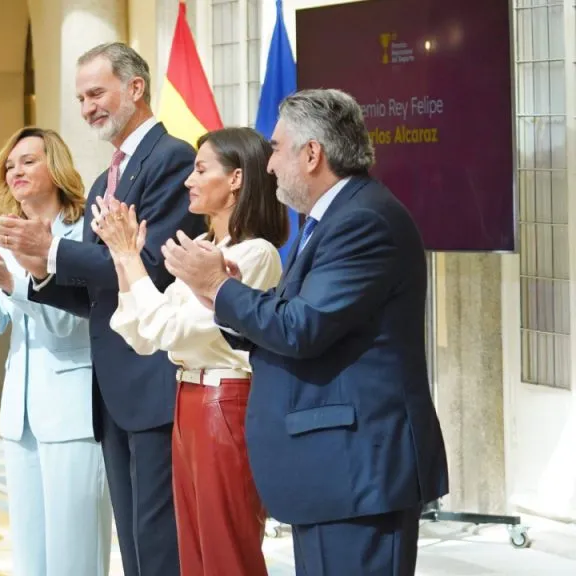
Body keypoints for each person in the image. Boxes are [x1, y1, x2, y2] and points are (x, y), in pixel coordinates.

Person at [161, 88, 450, 575]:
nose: (268, 166)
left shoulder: (362, 220)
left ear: (312, 154)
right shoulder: (333, 218)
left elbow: (303, 328)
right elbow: (292, 314)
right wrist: (225, 291)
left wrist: (219, 287)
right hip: (331, 471)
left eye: (275, 149)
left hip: (359, 472)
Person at [0, 42, 206, 575]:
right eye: (81, 98)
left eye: (96, 93)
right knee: (131, 543)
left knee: (156, 540)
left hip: (152, 379)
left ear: (135, 88)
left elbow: (147, 266)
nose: (87, 108)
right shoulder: (110, 177)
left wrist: (53, 250)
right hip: (112, 388)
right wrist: (40, 271)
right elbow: (92, 293)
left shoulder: (170, 158)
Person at [93, 126, 287, 576]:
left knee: (226, 551)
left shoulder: (256, 255)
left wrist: (129, 258)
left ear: (236, 179)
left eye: (201, 169)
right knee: (194, 553)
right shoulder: (203, 247)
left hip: (227, 403)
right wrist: (125, 260)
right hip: (188, 400)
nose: (188, 181)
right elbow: (142, 332)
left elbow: (169, 329)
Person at [0, 126, 112, 576]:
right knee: (31, 554)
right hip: (20, 414)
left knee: (75, 550)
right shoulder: (9, 236)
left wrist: (15, 284)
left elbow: (69, 322)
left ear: (56, 167)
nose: (15, 171)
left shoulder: (84, 232)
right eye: (9, 165)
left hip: (71, 410)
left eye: (28, 160)